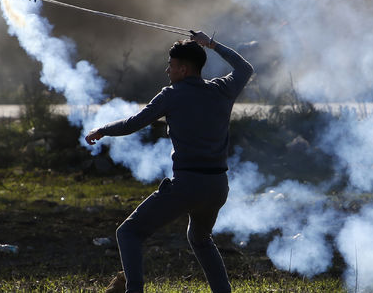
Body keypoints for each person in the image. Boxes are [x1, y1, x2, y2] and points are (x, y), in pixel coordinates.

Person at [85, 31, 253, 293]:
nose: (167, 70)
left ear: (184, 69)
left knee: (128, 233)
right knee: (200, 238)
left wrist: (103, 130)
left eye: (171, 66)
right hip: (218, 186)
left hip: (187, 185)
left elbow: (134, 123)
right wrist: (211, 44)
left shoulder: (171, 94)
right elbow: (245, 67)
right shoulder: (223, 89)